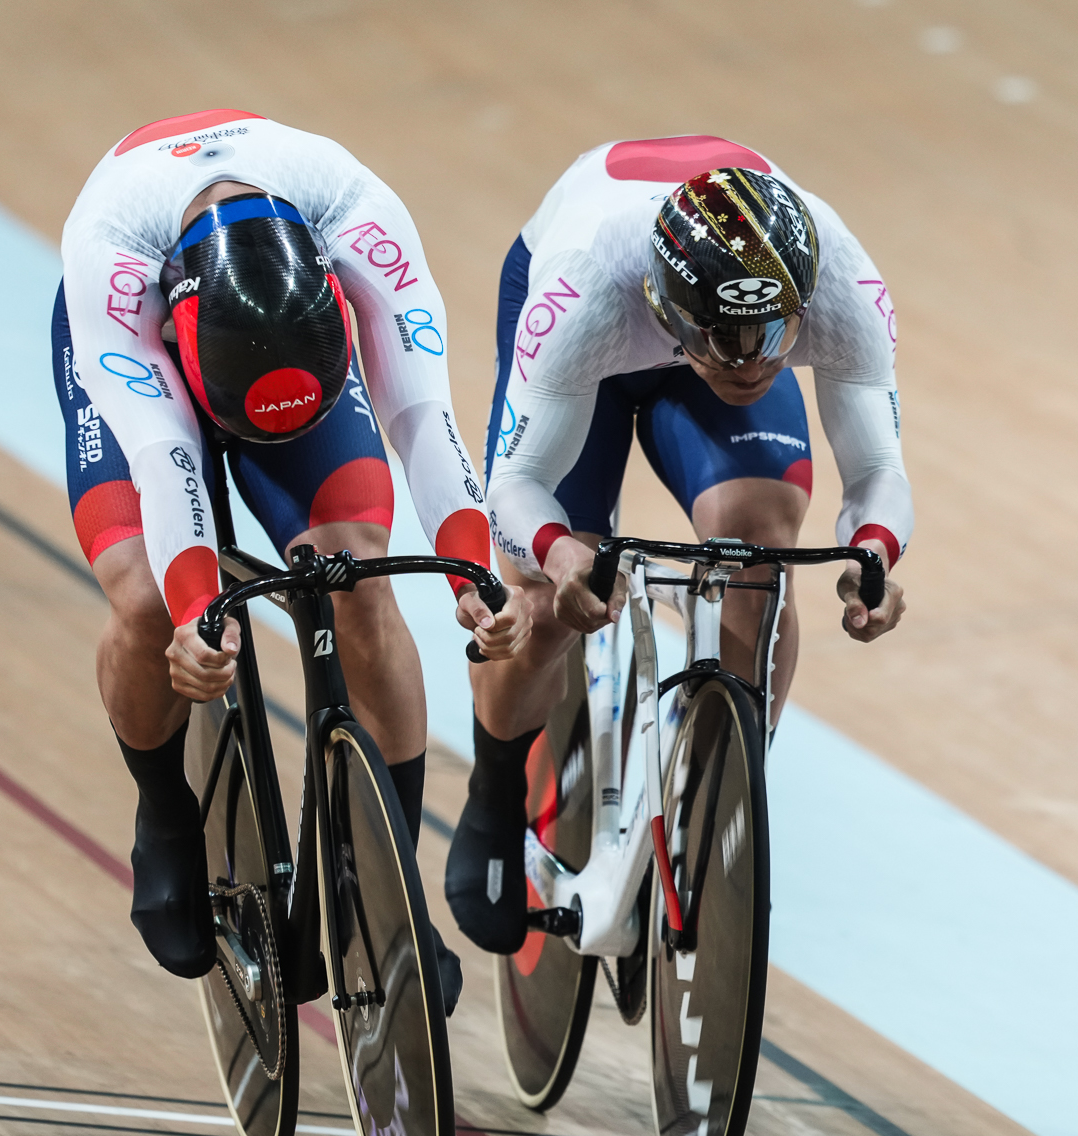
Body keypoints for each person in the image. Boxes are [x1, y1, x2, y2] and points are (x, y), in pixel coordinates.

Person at [55, 109, 522, 994]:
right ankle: (164, 813)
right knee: (148, 599)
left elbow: (424, 420)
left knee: (359, 577)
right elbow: (166, 457)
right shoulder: (109, 255)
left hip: (281, 337)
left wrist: (473, 570)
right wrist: (196, 615)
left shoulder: (357, 216)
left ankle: (392, 889)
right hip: (144, 341)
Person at [446, 137, 910, 955]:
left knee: (759, 547)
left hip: (675, 321)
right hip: (591, 345)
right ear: (667, 310)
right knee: (543, 602)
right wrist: (558, 554)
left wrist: (874, 552)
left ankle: (721, 796)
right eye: (728, 341)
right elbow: (515, 488)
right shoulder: (585, 288)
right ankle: (492, 793)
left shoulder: (840, 283)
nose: (752, 364)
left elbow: (877, 467)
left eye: (775, 336)